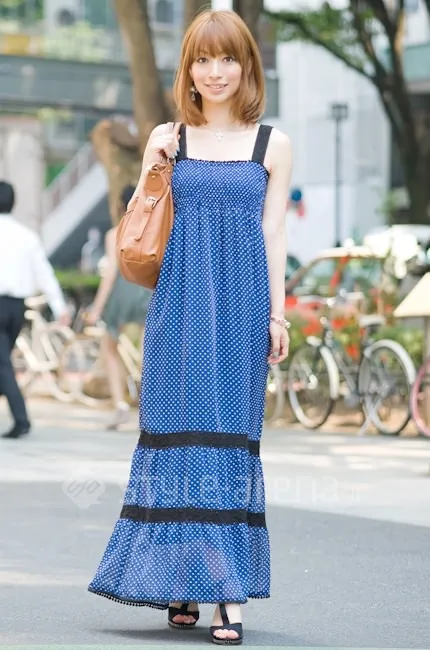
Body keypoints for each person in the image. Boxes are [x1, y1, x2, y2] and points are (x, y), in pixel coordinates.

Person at [88, 10, 292, 646]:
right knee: (176, 439)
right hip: (178, 306)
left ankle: (226, 591)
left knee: (229, 442)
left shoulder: (272, 144)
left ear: (247, 65)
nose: (215, 72)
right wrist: (153, 163)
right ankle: (181, 579)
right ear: (189, 69)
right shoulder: (169, 136)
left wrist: (278, 314)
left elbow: (274, 233)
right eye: (203, 60)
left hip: (242, 308)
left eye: (227, 58)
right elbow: (138, 220)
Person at [0, 180, 70, 439]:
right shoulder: (27, 236)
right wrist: (59, 306)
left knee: (2, 365)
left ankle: (21, 420)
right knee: (2, 362)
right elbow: (44, 273)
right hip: (17, 309)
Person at [85, 185, 152, 430]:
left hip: (122, 293)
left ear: (121, 205)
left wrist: (96, 308)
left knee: (110, 347)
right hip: (148, 291)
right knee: (149, 353)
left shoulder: (115, 233)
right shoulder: (154, 229)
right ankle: (151, 407)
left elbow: (111, 274)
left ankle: (120, 406)